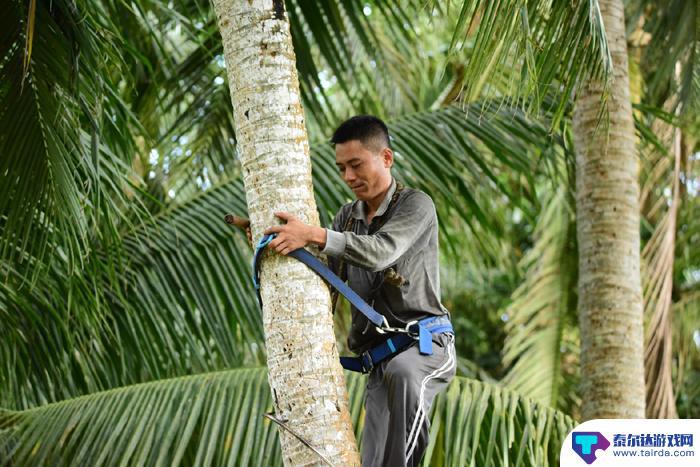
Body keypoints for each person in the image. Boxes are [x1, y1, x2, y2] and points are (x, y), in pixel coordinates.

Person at [262, 115, 456, 467]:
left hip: (426, 346)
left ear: (386, 158)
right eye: (341, 169)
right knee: (371, 461)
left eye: (356, 165)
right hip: (379, 361)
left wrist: (315, 235)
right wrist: (276, 247)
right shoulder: (347, 218)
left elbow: (381, 252)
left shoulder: (416, 204)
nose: (349, 177)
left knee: (404, 379)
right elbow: (326, 282)